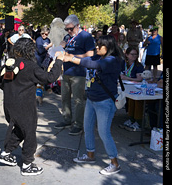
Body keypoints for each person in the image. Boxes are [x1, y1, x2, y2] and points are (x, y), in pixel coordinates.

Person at [0, 38, 64, 176]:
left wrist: (9, 90)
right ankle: (27, 164)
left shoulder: (10, 63)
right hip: (25, 106)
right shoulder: (31, 66)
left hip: (9, 105)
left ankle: (6, 153)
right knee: (30, 132)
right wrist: (59, 61)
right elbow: (49, 78)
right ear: (31, 50)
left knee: (20, 128)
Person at [64, 35, 123, 175]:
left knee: (104, 132)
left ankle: (115, 163)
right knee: (87, 128)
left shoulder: (112, 60)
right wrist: (69, 55)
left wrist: (71, 58)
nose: (96, 47)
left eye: (99, 45)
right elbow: (86, 60)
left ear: (108, 47)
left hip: (105, 102)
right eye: (96, 44)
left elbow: (93, 65)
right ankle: (90, 155)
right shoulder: (99, 57)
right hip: (91, 99)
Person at [54, 14, 95, 136]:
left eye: (71, 29)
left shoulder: (86, 36)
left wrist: (72, 58)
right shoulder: (68, 36)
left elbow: (90, 54)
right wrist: (60, 49)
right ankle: (67, 119)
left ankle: (78, 124)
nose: (69, 31)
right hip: (66, 71)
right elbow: (64, 48)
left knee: (78, 99)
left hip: (79, 73)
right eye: (67, 29)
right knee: (65, 97)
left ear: (77, 25)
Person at [119, 47, 145, 131]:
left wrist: (126, 78)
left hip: (136, 87)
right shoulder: (123, 63)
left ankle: (138, 121)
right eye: (132, 54)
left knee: (136, 100)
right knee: (130, 100)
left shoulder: (138, 65)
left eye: (136, 54)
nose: (134, 56)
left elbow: (139, 79)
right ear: (126, 55)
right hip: (124, 86)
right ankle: (131, 119)